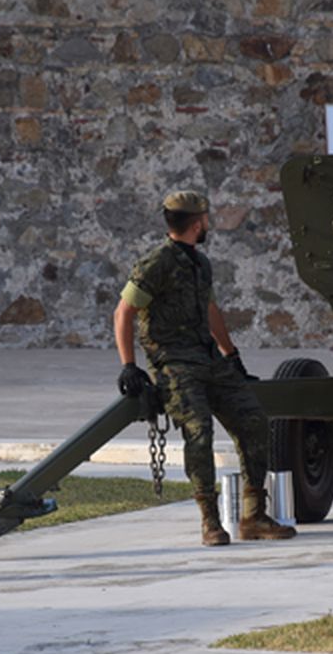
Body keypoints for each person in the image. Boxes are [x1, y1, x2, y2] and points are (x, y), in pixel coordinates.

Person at [112, 190, 296, 547]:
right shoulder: (157, 263)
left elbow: (211, 311)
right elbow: (124, 312)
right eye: (207, 219)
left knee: (254, 421)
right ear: (198, 223)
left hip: (209, 359)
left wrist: (231, 355)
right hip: (175, 363)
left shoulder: (200, 264)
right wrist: (129, 366)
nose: (209, 224)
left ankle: (253, 516)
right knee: (200, 433)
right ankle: (210, 523)